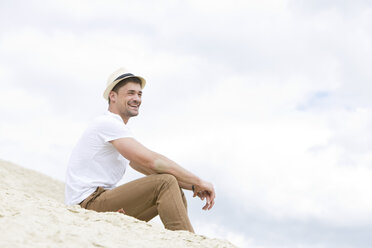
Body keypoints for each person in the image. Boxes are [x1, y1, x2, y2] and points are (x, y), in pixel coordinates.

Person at [65, 68, 215, 232]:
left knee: (173, 185)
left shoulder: (118, 130)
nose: (136, 99)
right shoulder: (107, 124)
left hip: (98, 203)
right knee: (165, 183)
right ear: (112, 96)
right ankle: (187, 243)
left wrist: (192, 186)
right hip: (88, 205)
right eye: (130, 93)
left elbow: (142, 166)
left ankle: (185, 239)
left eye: (139, 94)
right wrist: (199, 181)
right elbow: (152, 161)